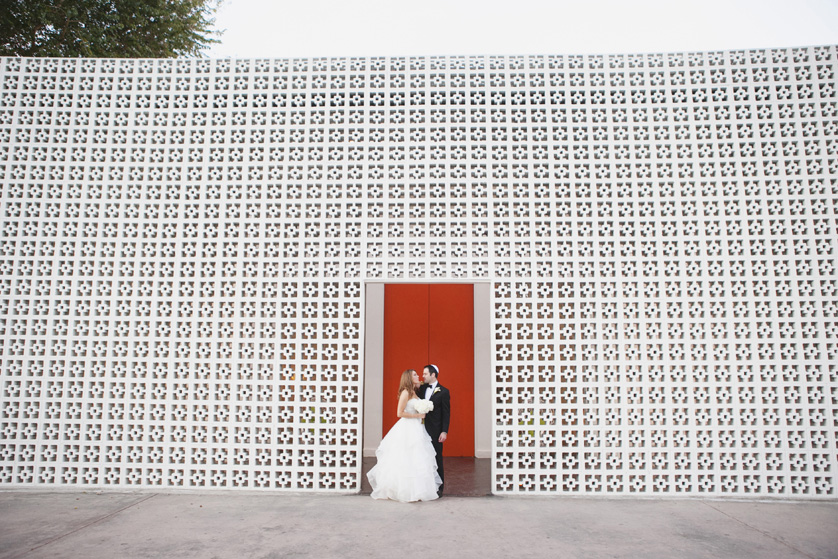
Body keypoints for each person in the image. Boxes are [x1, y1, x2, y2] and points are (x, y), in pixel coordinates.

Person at [367, 369, 442, 502]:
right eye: (415, 375)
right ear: (408, 378)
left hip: (418, 428)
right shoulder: (406, 392)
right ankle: (403, 490)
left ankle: (418, 490)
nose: (418, 376)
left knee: (418, 458)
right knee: (405, 457)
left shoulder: (414, 391)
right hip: (407, 427)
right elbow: (399, 413)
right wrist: (418, 415)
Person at [419, 364, 450, 497]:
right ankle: (424, 485)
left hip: (435, 430)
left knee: (437, 457)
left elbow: (446, 413)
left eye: (425, 374)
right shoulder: (421, 388)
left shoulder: (443, 391)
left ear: (433, 375)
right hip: (420, 429)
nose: (423, 376)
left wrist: (444, 431)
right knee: (421, 458)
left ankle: (439, 487)